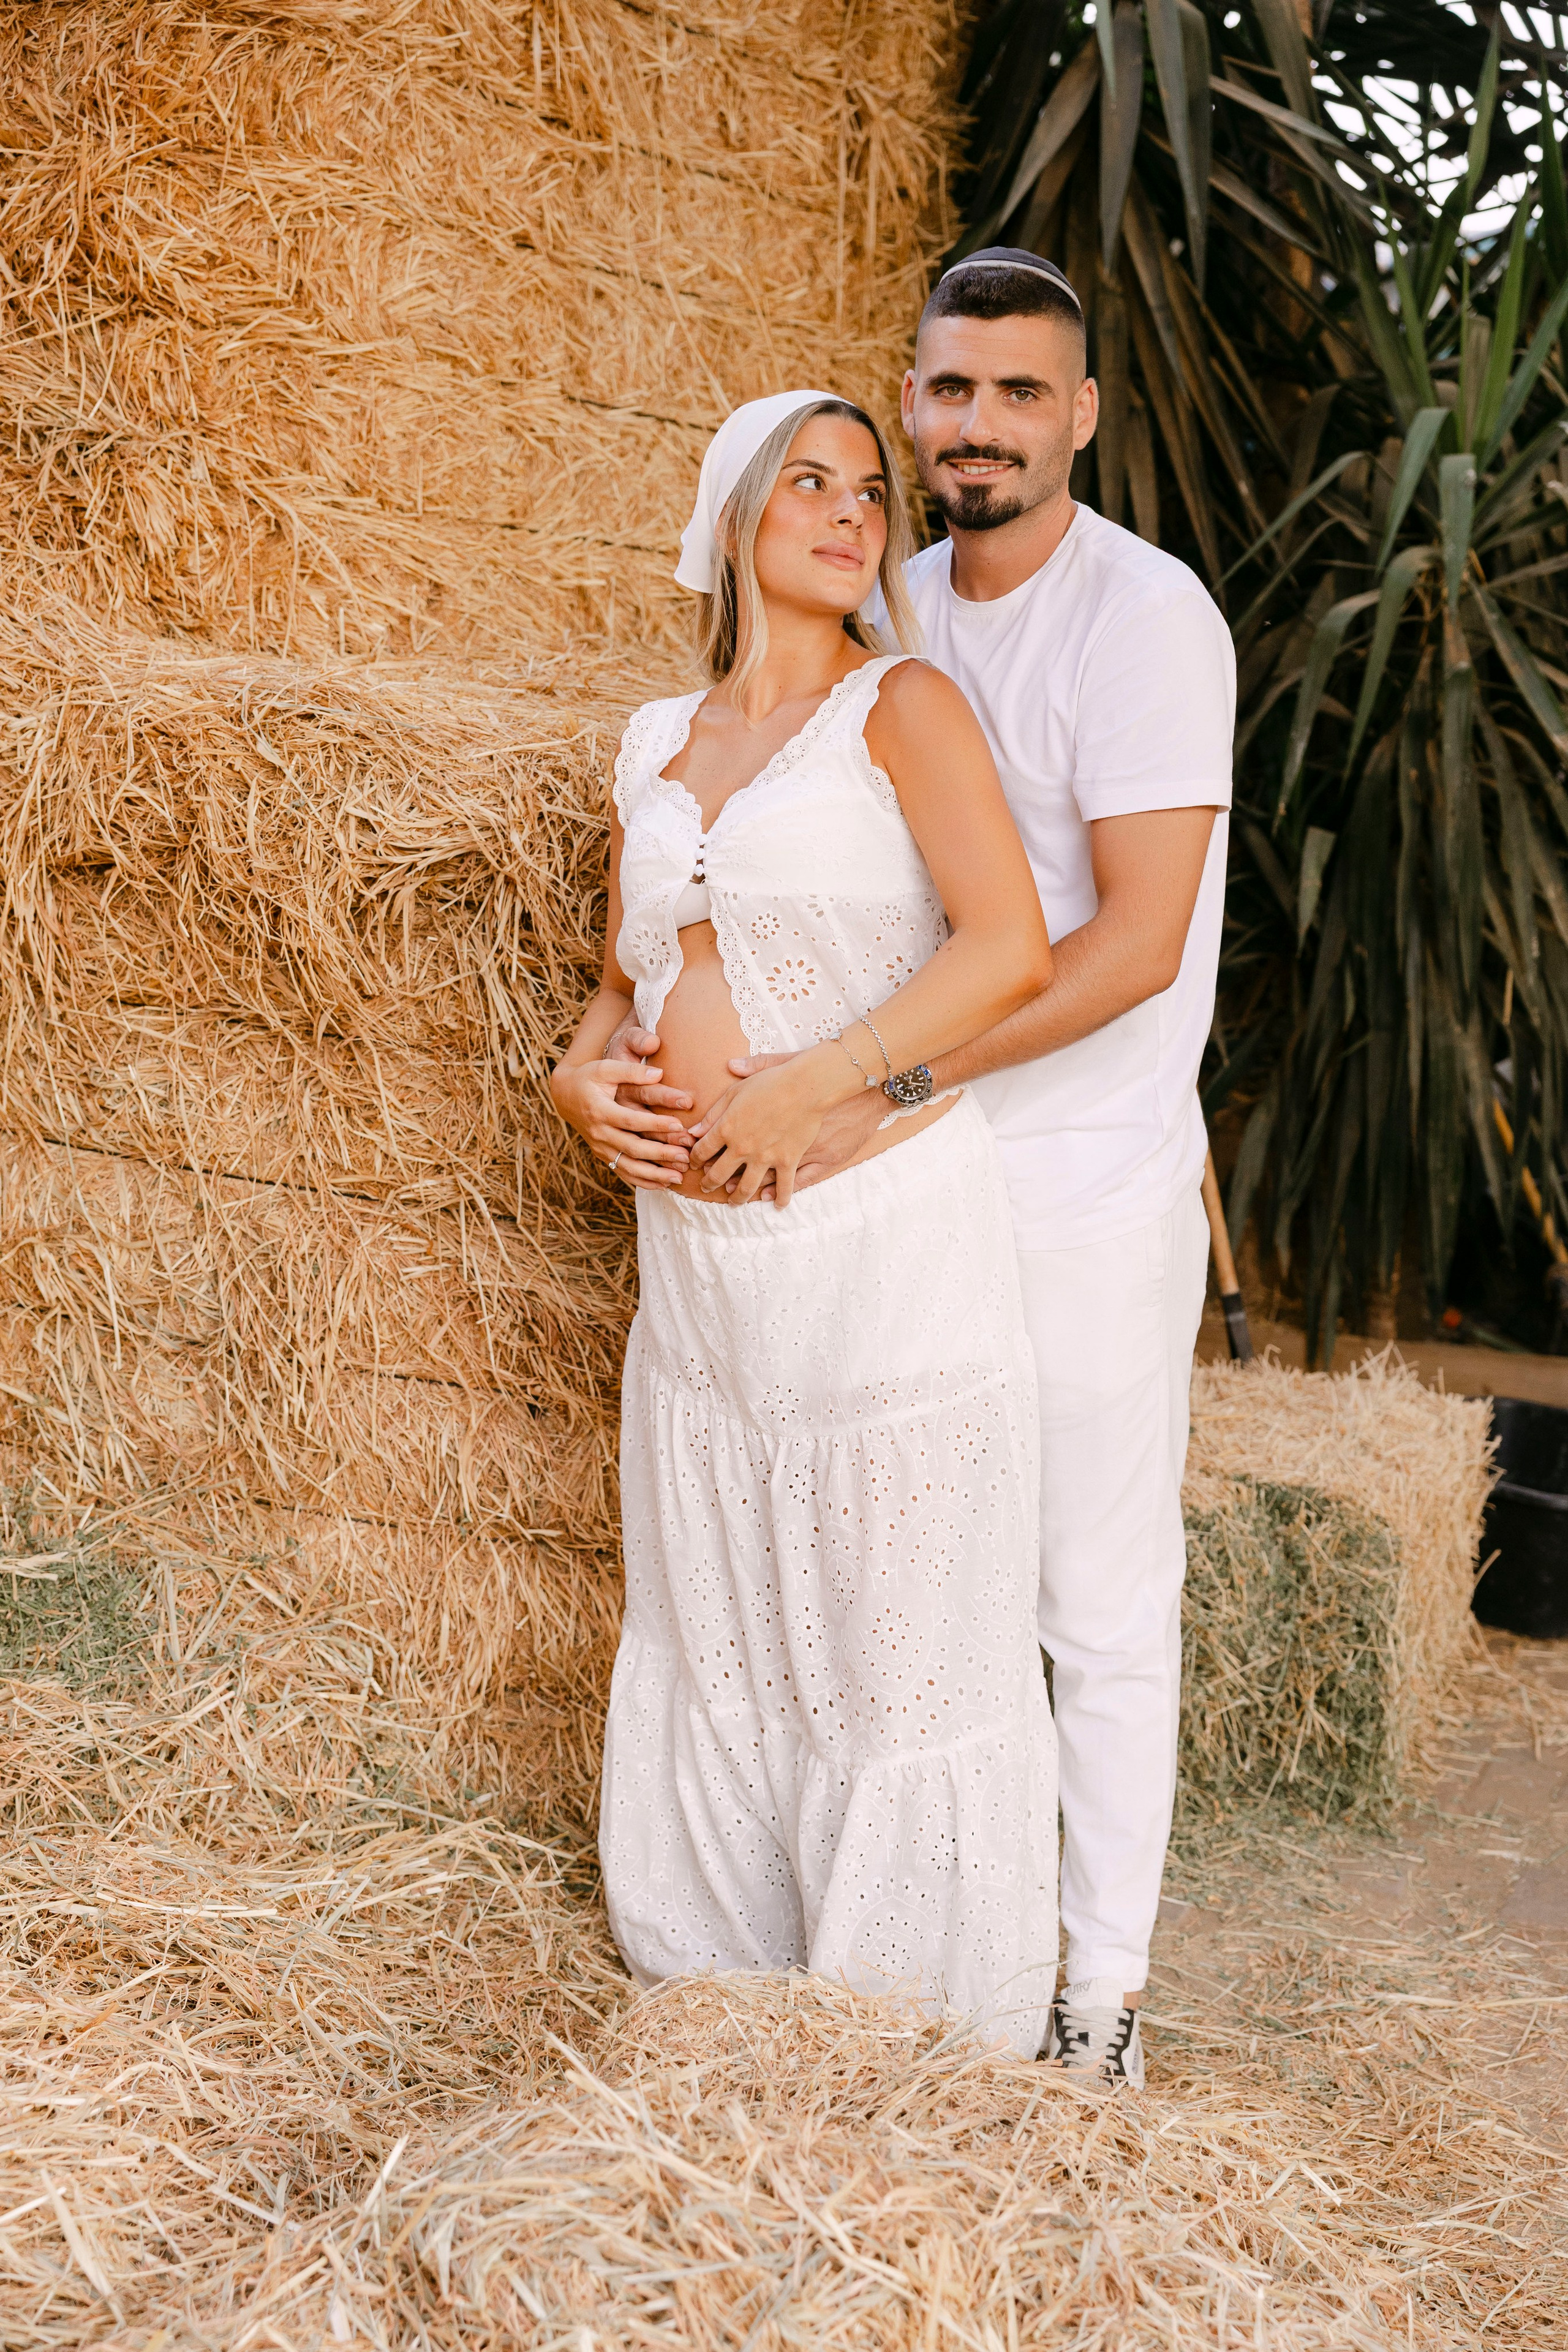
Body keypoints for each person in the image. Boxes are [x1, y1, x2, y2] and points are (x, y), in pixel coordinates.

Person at [616, 252, 1236, 2088]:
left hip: (1079, 1164)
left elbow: (1121, 946)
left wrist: (855, 1090)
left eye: (1019, 395)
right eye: (947, 395)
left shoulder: (1147, 618)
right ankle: (833, 1927)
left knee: (1082, 1585)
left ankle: (1096, 1988)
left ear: (1083, 418)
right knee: (894, 1580)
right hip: (898, 1176)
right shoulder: (892, 620)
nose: (973, 429)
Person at [549, 388, 1061, 2053]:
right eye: (811, 483)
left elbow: (1009, 951)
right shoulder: (655, 741)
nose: (852, 512)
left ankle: (908, 2027)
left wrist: (819, 1085)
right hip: (703, 1271)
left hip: (882, 1239)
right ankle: (728, 1998)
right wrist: (580, 1085)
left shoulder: (900, 707)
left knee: (890, 1627)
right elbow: (626, 982)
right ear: (734, 514)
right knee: (730, 1613)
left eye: (870, 491)